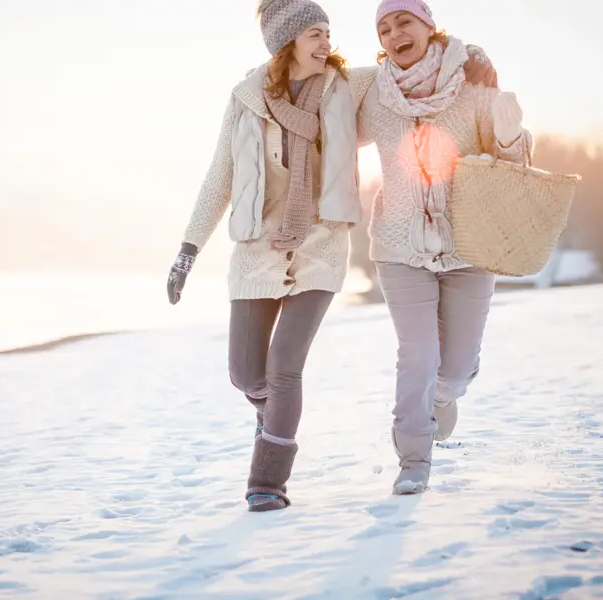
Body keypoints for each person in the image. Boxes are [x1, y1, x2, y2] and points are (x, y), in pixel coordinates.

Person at [166, 0, 498, 512]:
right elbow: (220, 176)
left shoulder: (351, 86)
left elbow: (414, 69)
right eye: (315, 34)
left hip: (321, 247)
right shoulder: (246, 99)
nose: (327, 42)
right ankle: (268, 412)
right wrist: (188, 249)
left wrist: (472, 53)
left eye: (327, 32)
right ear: (286, 43)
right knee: (246, 375)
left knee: (284, 369)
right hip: (257, 248)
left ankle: (267, 483)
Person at [358, 0, 533, 495]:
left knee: (451, 370)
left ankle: (447, 391)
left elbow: (512, 161)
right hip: (399, 246)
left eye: (405, 22)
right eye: (385, 28)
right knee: (417, 355)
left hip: (469, 245)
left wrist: (509, 128)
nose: (395, 34)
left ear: (430, 27)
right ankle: (413, 461)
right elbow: (324, 102)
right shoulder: (374, 91)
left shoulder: (473, 81)